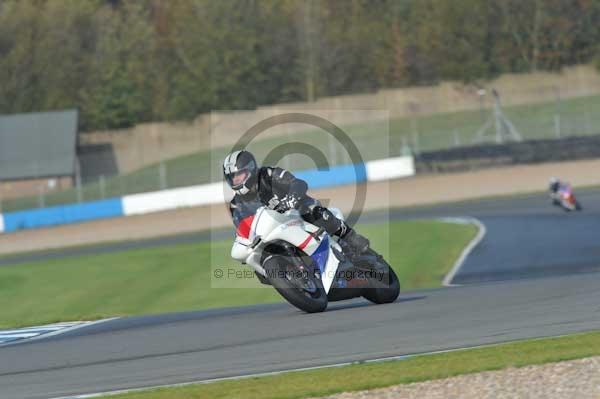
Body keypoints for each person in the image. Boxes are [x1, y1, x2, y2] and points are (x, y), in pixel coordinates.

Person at [223, 150, 369, 254]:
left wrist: (291, 199)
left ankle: (350, 236)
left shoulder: (268, 174)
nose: (235, 180)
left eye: (238, 175)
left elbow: (298, 183)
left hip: (296, 213)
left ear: (250, 169)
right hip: (273, 232)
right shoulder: (236, 205)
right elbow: (242, 227)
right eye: (232, 177)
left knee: (312, 210)